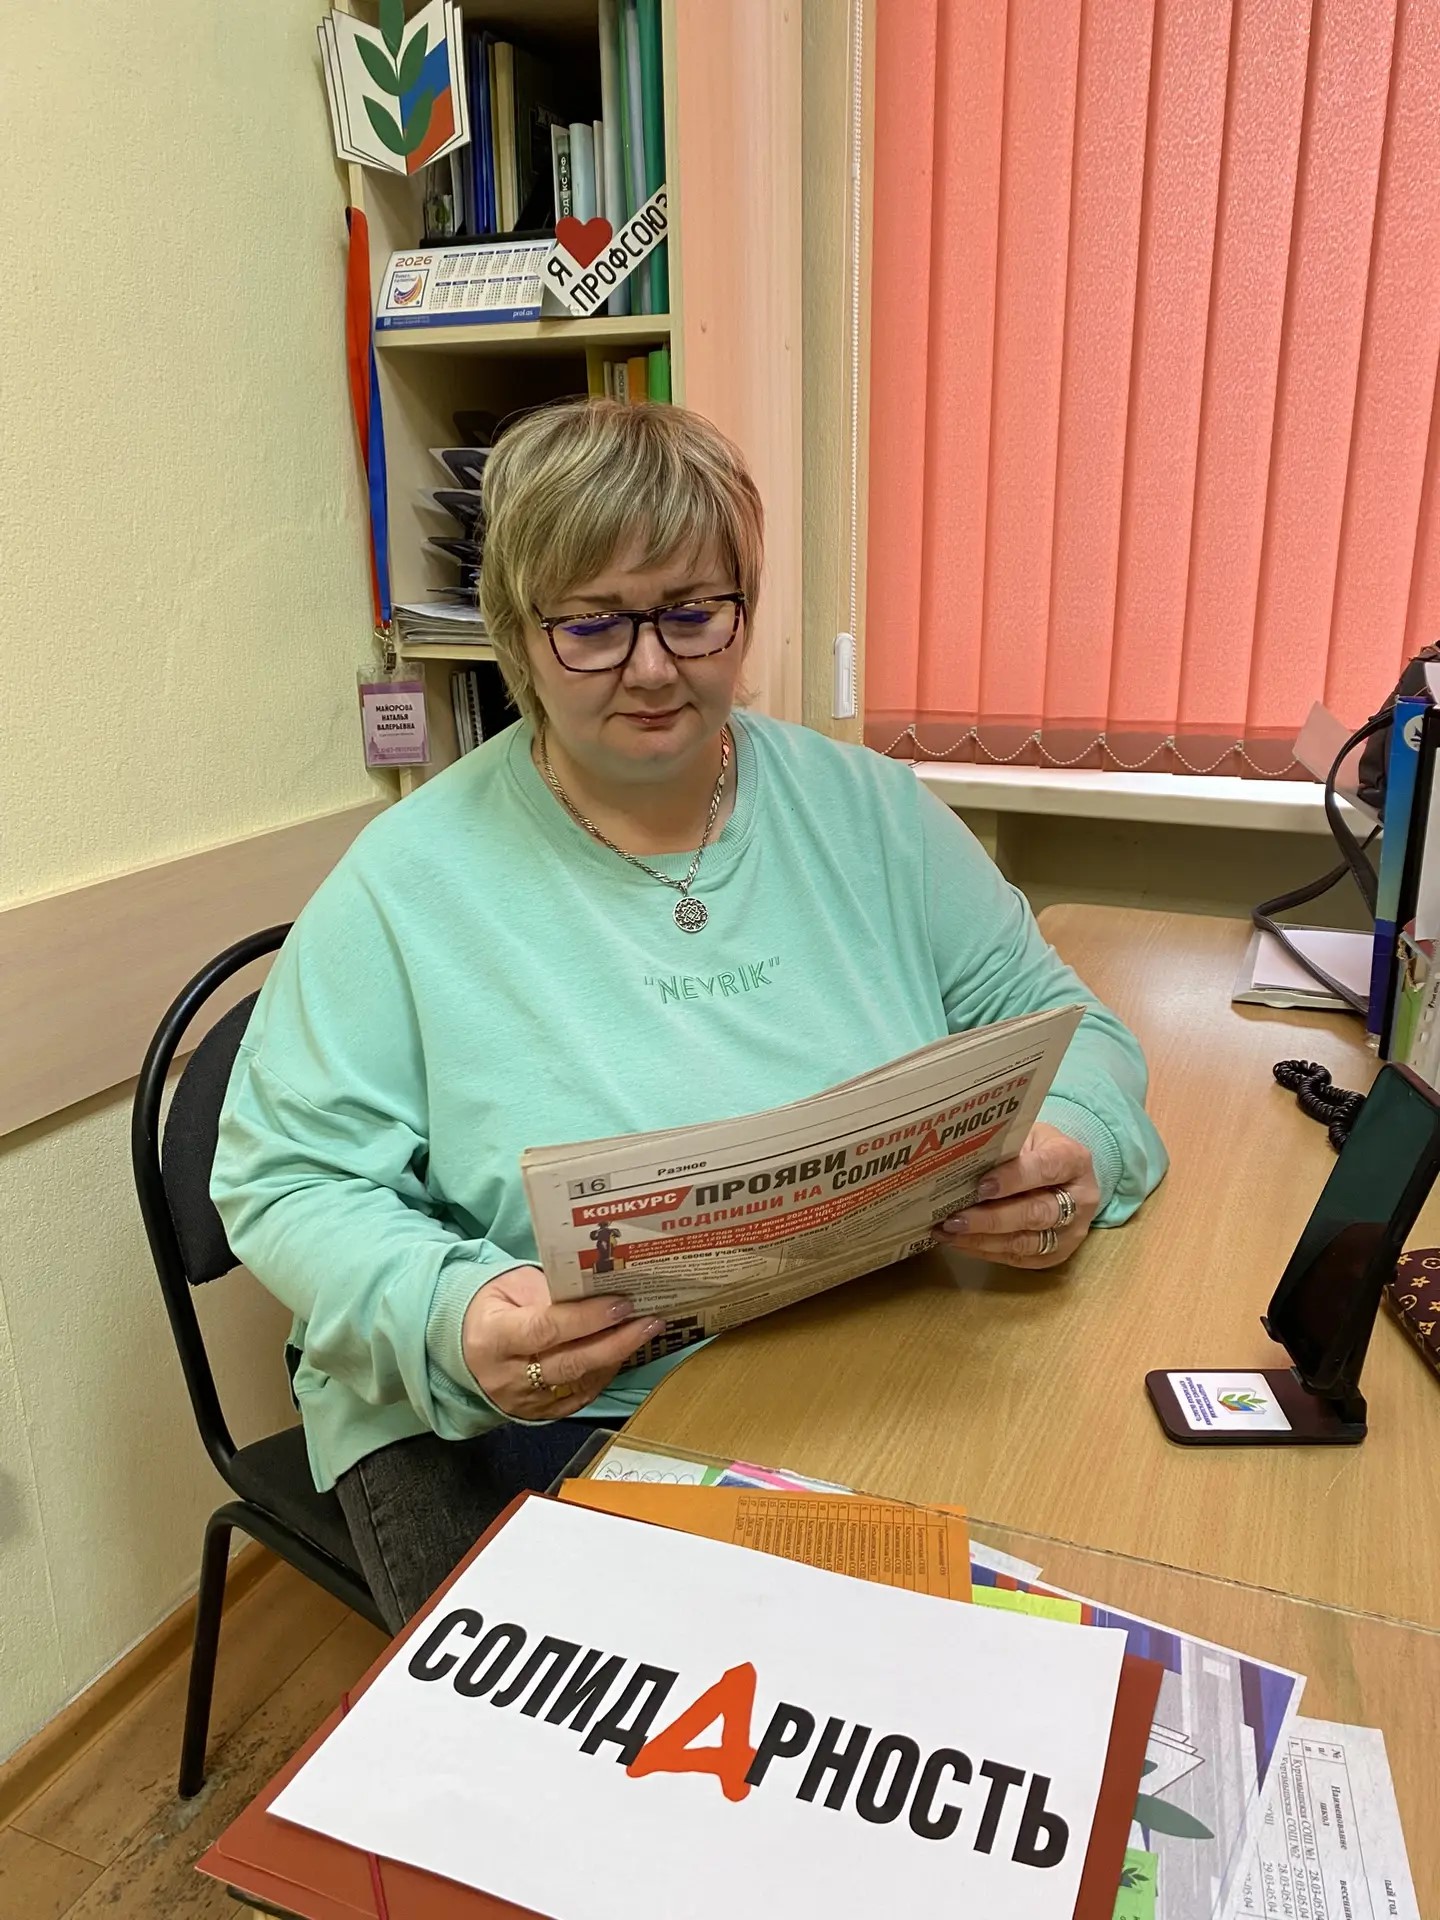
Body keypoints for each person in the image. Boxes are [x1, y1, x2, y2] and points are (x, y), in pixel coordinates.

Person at [212, 400, 1167, 1628]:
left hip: (863, 1345)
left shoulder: (869, 812)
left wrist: (1076, 1151)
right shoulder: (405, 882)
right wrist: (453, 1313)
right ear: (516, 633)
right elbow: (286, 1181)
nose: (654, 666)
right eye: (593, 624)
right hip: (535, 1414)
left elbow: (1068, 1028)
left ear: (743, 610)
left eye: (691, 612)